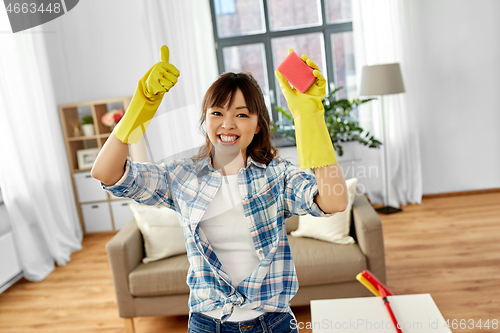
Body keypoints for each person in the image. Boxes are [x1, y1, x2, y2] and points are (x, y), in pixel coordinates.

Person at [91, 45, 348, 333]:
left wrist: (310, 117)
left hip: (273, 323)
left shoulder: (277, 175)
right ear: (206, 120)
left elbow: (333, 202)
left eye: (241, 115)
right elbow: (106, 173)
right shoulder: (183, 175)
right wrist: (139, 110)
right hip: (206, 324)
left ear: (257, 125)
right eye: (217, 113)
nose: (227, 124)